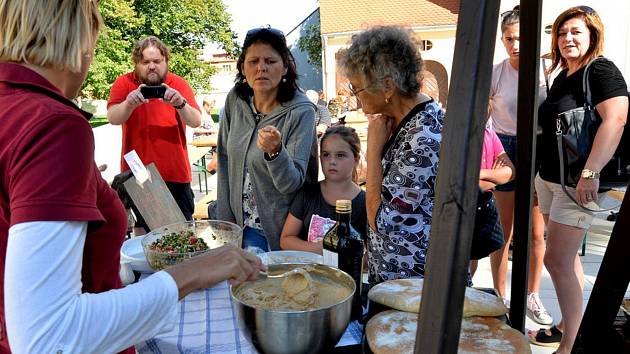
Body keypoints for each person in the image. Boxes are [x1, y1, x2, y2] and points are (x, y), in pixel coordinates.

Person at [0, 2, 264, 353]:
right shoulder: (53, 124)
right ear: (80, 39)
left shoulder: (13, 107)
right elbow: (48, 338)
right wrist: (193, 271)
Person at [530, 6, 628, 353]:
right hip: (552, 180)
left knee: (556, 260)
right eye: (562, 32)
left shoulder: (600, 69)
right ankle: (568, 323)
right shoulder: (563, 75)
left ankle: (571, 343)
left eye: (576, 32)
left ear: (593, 36)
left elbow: (616, 119)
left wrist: (590, 172)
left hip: (577, 183)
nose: (567, 38)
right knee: (566, 258)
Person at [339, 26, 444, 283]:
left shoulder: (423, 139)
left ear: (387, 87)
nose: (356, 98)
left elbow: (382, 222)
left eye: (358, 89)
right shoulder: (402, 121)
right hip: (397, 282)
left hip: (416, 290)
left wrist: (373, 151)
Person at [216, 26, 317, 252]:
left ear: (284, 67)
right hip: (239, 229)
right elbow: (224, 160)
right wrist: (225, 225)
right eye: (253, 61)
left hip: (282, 233)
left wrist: (276, 153)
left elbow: (293, 183)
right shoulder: (235, 100)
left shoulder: (301, 111)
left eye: (270, 61)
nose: (261, 67)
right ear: (243, 67)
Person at [488, 5, 552, 325]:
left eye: (521, 38)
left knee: (537, 234)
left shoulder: (548, 71)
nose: (515, 44)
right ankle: (500, 295)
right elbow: (480, 119)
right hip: (506, 149)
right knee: (504, 230)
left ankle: (531, 295)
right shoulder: (496, 73)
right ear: (502, 41)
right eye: (509, 38)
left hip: (539, 149)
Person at [107, 36, 201, 234]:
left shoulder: (178, 84)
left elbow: (195, 121)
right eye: (145, 62)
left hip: (175, 174)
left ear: (165, 61)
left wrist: (181, 104)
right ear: (136, 63)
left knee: (182, 236)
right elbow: (113, 118)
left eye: (157, 61)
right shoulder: (124, 84)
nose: (151, 67)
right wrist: (129, 103)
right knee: (144, 236)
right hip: (138, 174)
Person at [280, 126, 367, 253]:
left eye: (340, 155)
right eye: (326, 154)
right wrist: (321, 249)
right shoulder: (307, 194)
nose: (332, 161)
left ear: (356, 160)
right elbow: (286, 239)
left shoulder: (364, 203)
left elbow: (371, 254)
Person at [469, 126, 514, 277]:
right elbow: (461, 181)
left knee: (472, 257)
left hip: (480, 207)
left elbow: (510, 172)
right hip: (461, 208)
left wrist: (480, 174)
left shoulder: (489, 133)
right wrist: (494, 179)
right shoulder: (455, 134)